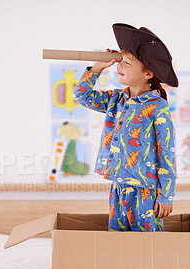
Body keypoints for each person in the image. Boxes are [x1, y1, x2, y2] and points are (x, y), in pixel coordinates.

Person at [72, 23, 178, 232]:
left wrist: (166, 195)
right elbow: (81, 96)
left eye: (127, 62)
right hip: (117, 188)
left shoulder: (158, 108)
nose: (120, 66)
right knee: (118, 242)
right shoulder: (116, 99)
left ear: (148, 73)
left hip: (146, 191)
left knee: (147, 245)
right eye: (121, 60)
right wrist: (97, 69)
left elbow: (167, 152)